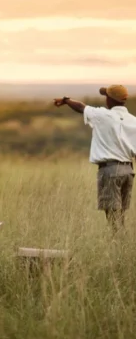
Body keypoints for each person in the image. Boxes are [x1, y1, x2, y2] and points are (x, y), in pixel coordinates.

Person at [54, 85, 136, 232]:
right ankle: (121, 244)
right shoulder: (133, 121)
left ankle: (116, 246)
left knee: (112, 216)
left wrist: (66, 100)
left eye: (106, 96)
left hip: (110, 170)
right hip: (128, 170)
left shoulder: (103, 115)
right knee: (120, 215)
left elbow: (81, 107)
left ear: (110, 99)